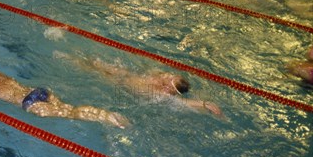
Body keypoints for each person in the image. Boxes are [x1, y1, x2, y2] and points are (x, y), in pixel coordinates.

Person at [0, 56, 129, 128]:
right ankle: (103, 114)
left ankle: (105, 117)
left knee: (71, 114)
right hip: (39, 92)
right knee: (69, 108)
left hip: (31, 103)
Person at [56, 52, 223, 116]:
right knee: (94, 61)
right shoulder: (159, 76)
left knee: (92, 69)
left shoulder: (161, 95)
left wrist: (204, 104)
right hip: (124, 74)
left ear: (168, 88)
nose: (165, 76)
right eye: (169, 75)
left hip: (118, 84)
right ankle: (73, 58)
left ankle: (68, 59)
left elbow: (181, 102)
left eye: (166, 80)